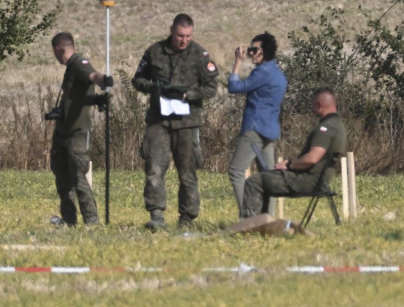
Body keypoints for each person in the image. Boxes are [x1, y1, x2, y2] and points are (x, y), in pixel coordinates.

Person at [131, 13, 219, 230]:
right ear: (172, 31)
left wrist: (190, 94)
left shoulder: (199, 55)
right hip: (159, 120)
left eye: (188, 36)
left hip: (187, 121)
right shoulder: (155, 52)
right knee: (154, 169)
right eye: (180, 36)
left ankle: (186, 218)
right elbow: (138, 79)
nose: (184, 40)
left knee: (187, 172)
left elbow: (211, 87)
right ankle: (156, 216)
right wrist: (155, 88)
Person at [241, 87, 347, 217]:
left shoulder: (326, 128)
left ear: (319, 105)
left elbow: (312, 158)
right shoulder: (338, 125)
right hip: (320, 180)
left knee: (254, 181)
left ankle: (251, 223)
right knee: (265, 177)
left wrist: (289, 165)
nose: (312, 108)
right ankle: (263, 221)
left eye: (313, 105)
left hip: (307, 181)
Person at [48, 32, 113, 226]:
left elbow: (92, 75)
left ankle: (91, 221)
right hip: (63, 130)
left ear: (58, 50)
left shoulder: (78, 63)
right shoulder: (70, 68)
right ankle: (69, 220)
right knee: (63, 179)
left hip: (76, 133)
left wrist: (103, 80)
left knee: (78, 178)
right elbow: (77, 96)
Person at [226, 32, 287, 217]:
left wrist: (238, 62)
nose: (250, 53)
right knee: (268, 176)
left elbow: (235, 87)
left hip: (254, 129)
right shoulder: (277, 73)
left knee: (236, 171)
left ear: (263, 51)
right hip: (270, 130)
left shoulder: (262, 72)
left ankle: (247, 216)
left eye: (254, 50)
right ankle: (267, 217)